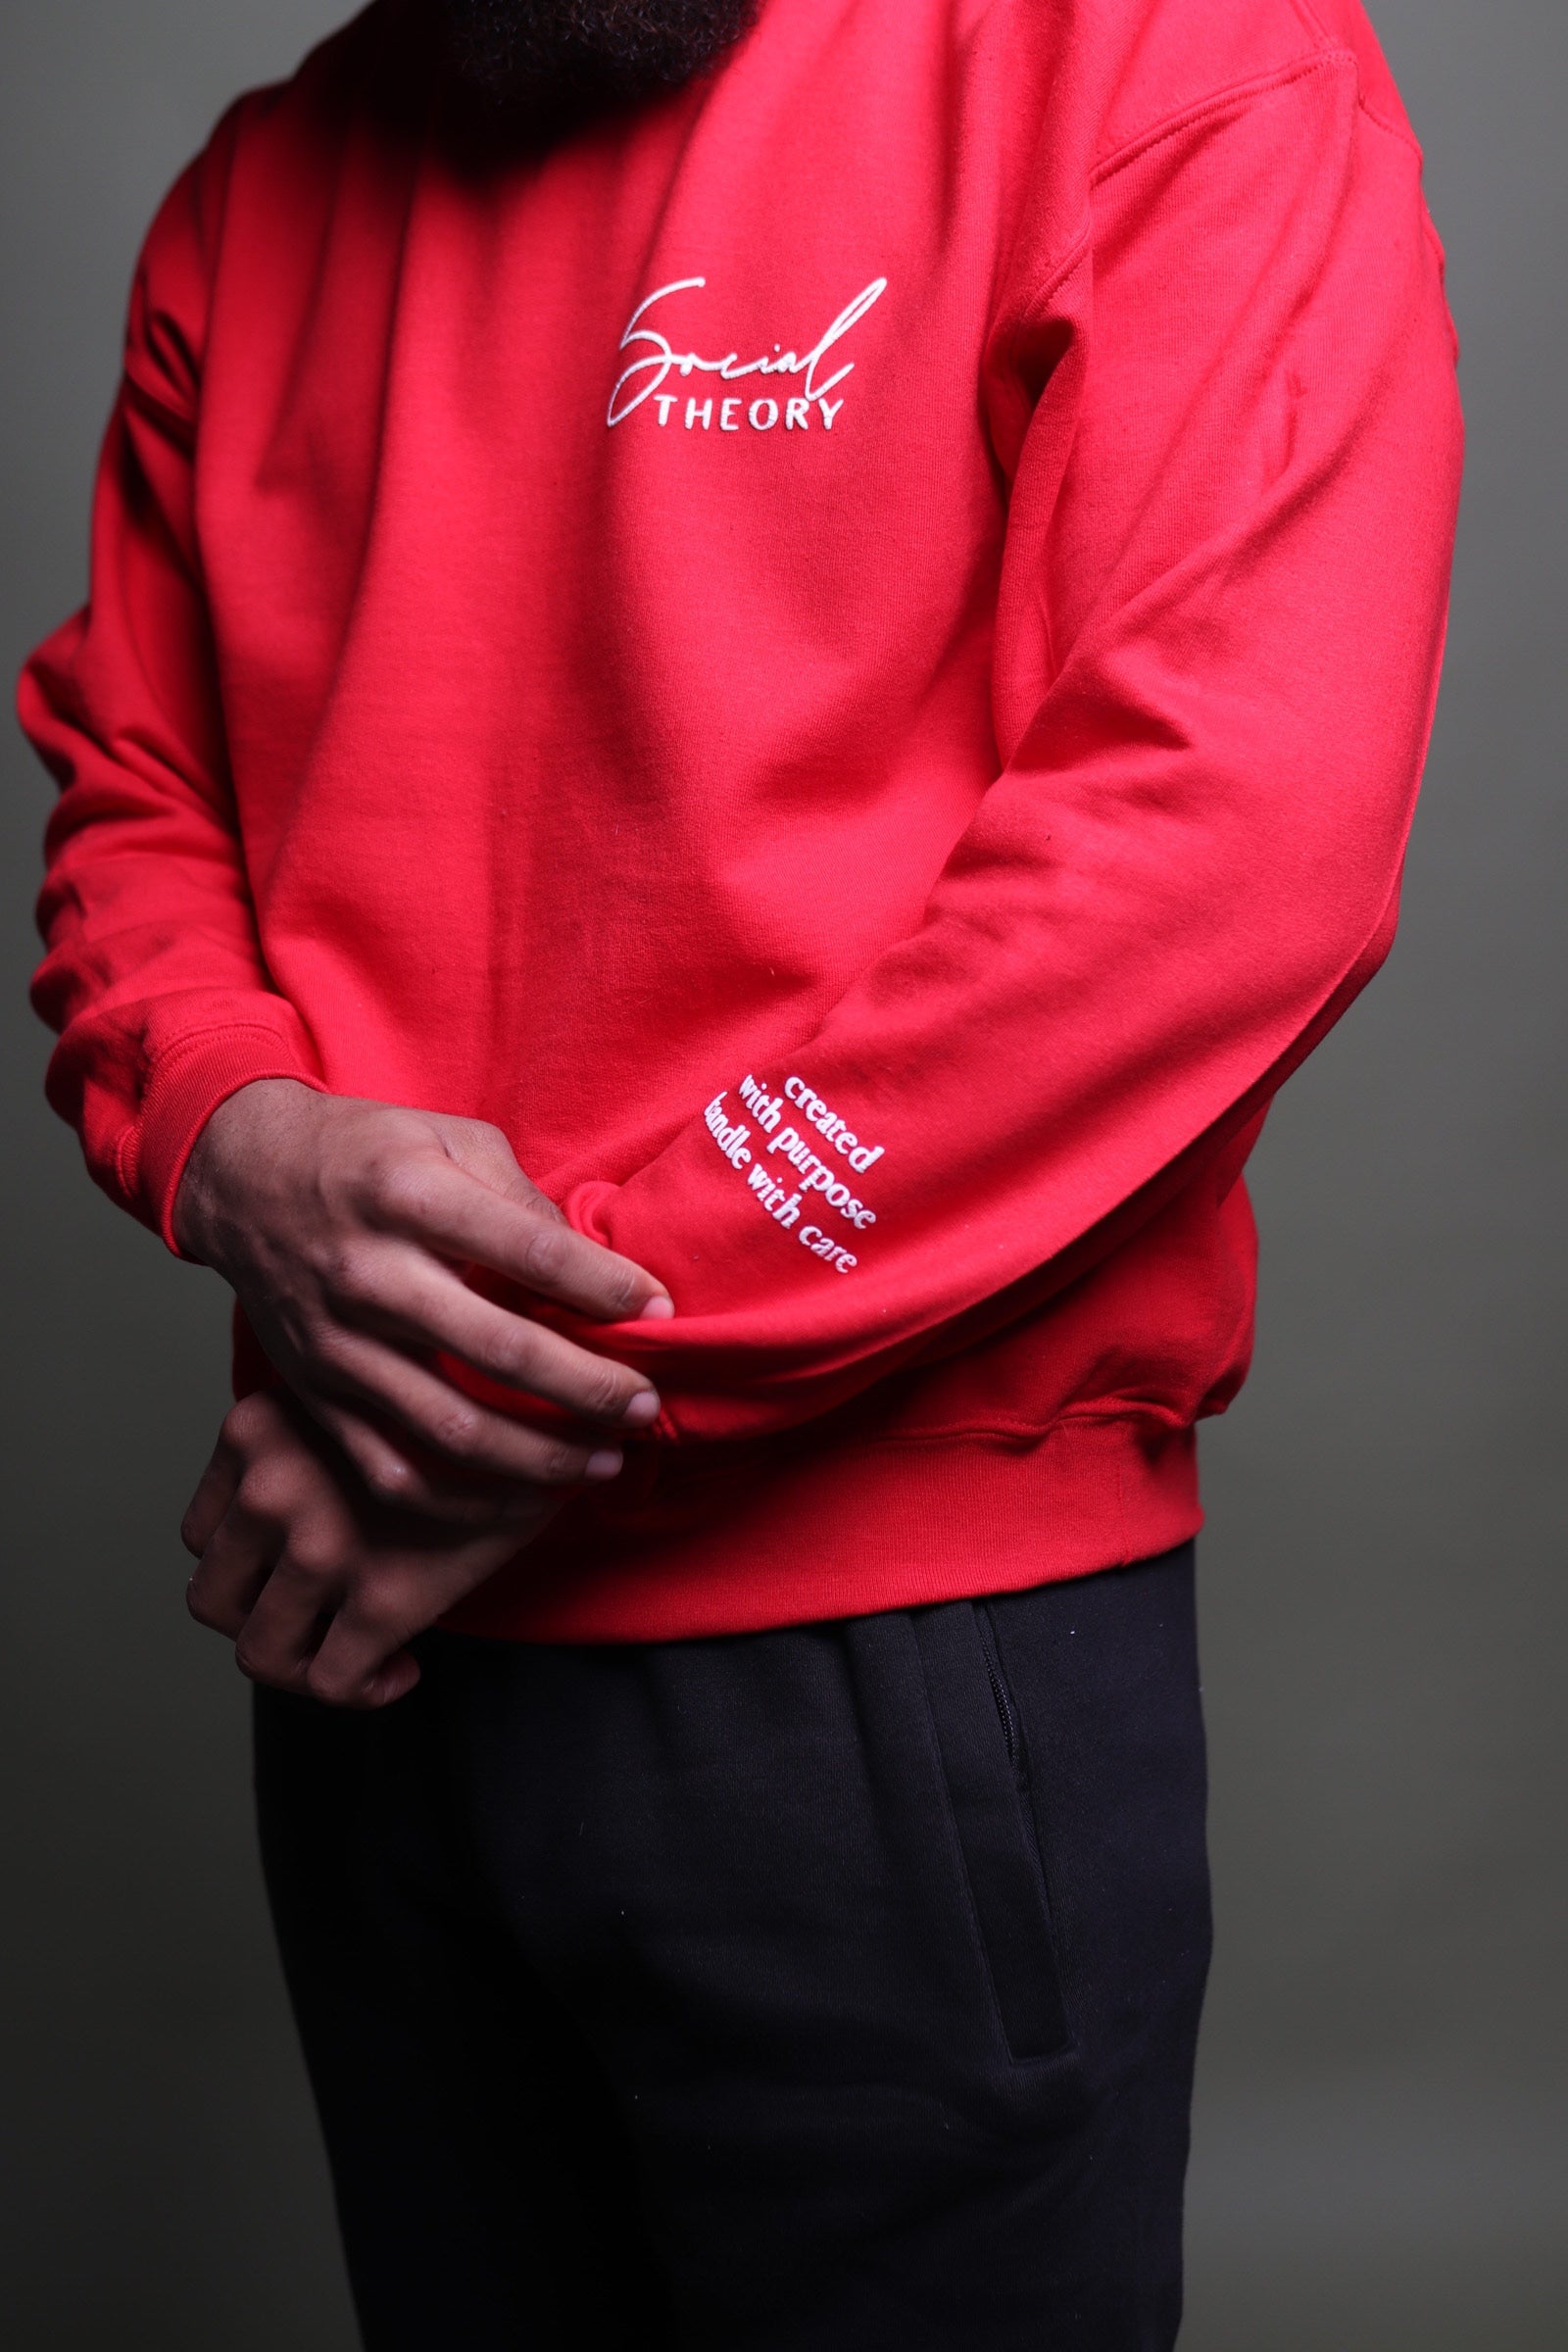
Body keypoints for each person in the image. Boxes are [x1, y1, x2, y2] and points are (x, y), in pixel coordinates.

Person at [18, 0, 1461, 2342]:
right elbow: (137, 791)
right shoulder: (259, 189)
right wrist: (233, 1131)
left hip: (880, 1656)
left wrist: (511, 1383)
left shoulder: (1162, 55)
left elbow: (1216, 848)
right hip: (378, 1644)